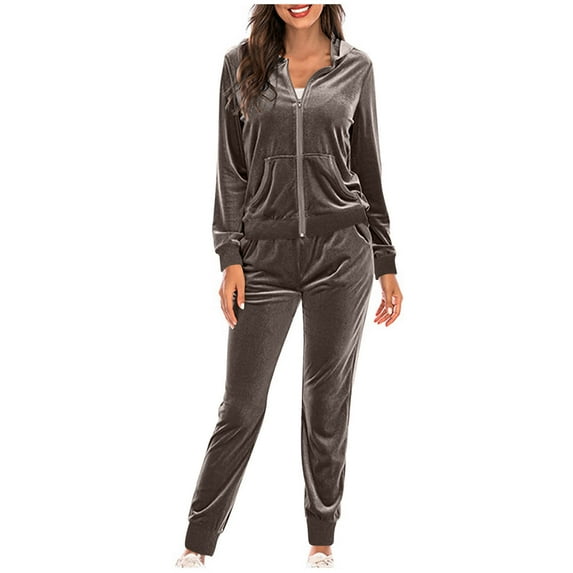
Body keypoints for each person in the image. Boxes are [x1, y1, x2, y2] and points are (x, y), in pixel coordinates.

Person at [175, 3, 403, 568]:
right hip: (264, 258)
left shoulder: (357, 68)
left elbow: (369, 167)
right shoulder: (239, 65)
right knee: (242, 405)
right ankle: (197, 544)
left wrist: (385, 260)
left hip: (342, 254)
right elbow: (230, 169)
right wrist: (229, 255)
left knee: (325, 401)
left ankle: (321, 543)